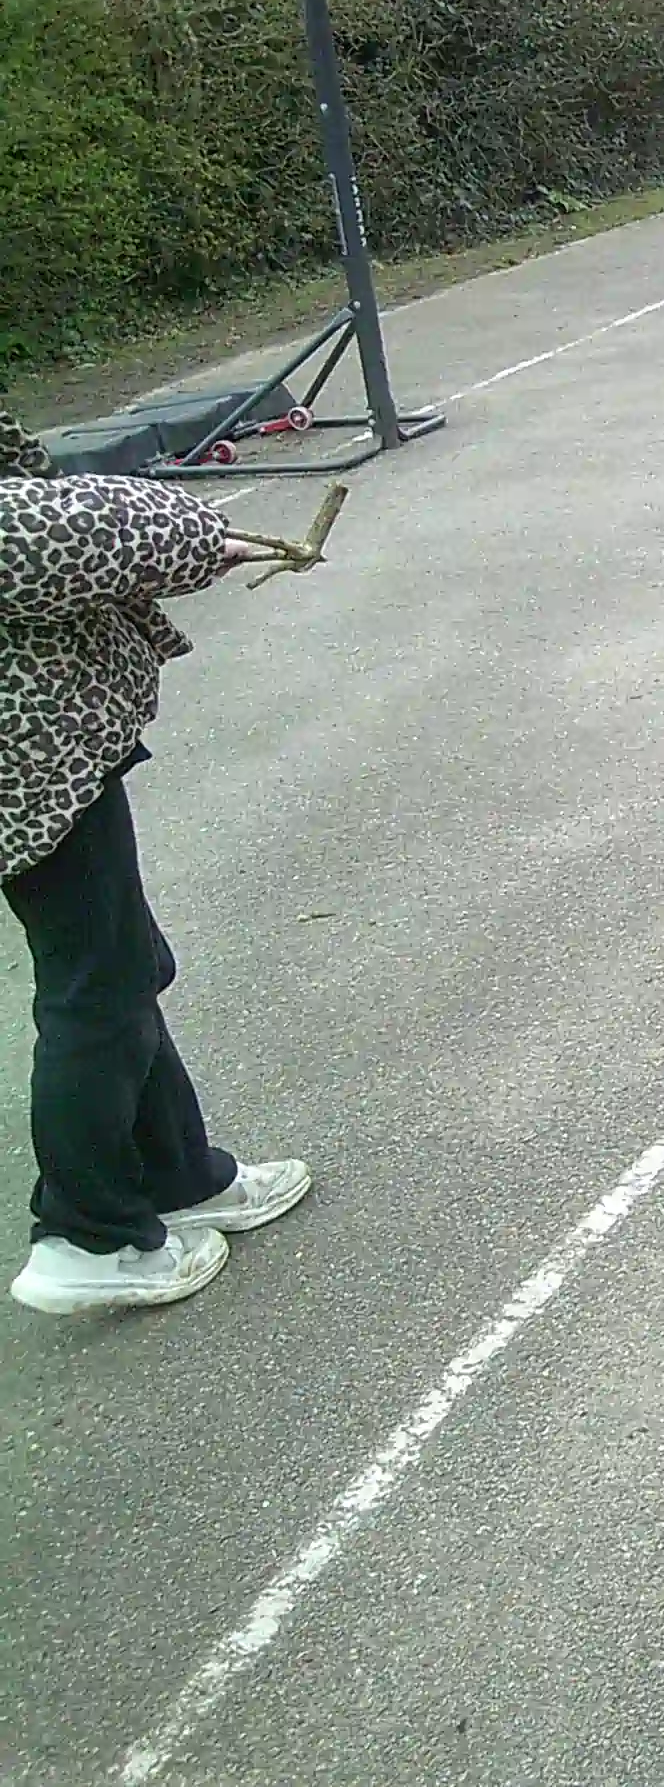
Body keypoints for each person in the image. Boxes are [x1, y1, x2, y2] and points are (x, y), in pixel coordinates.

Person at [1, 409, 311, 1315]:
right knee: (95, 987)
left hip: (46, 746)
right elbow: (30, 536)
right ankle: (84, 1234)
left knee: (120, 963)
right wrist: (186, 533)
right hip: (26, 763)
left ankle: (175, 1173)